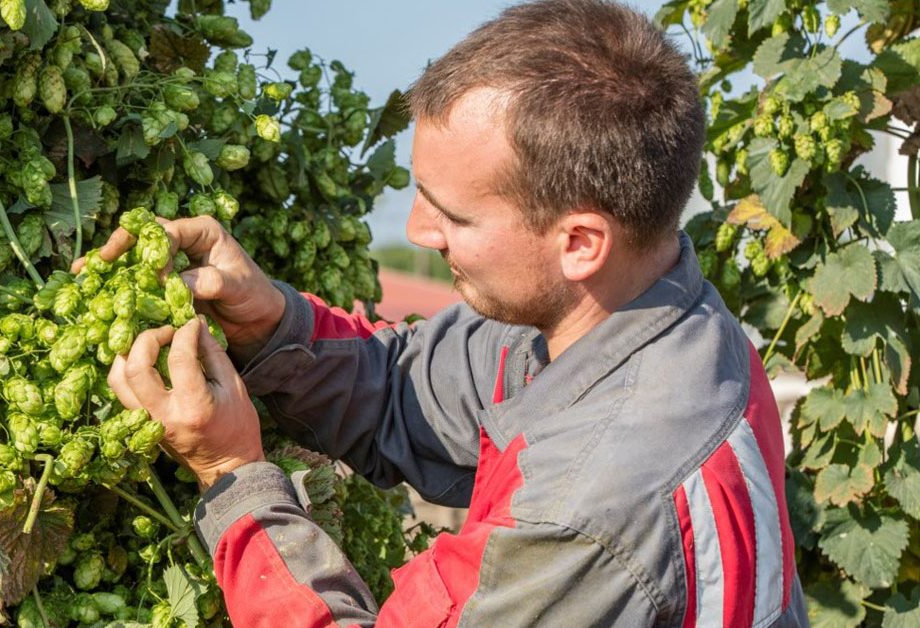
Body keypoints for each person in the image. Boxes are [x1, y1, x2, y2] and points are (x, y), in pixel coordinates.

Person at [95, 0, 810, 624]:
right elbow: (406, 391)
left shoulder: (585, 509)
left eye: (454, 216)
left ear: (581, 242)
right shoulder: (635, 314)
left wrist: (231, 474)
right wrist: (271, 323)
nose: (416, 233)